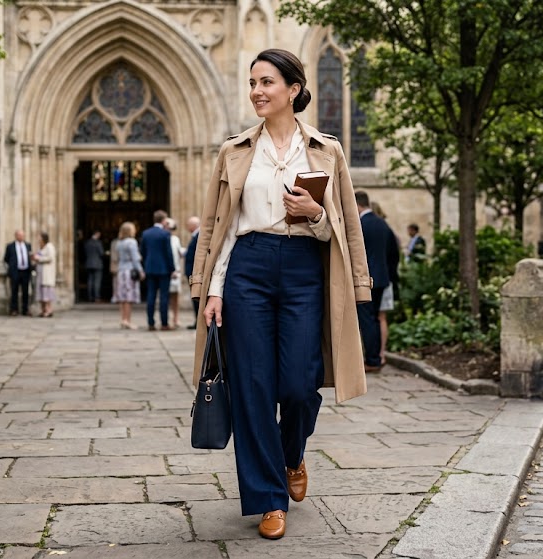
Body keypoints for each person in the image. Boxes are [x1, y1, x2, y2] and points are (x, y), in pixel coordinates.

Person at [190, 48, 371, 540]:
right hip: (247, 267)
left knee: (297, 385)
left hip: (304, 269)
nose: (256, 91)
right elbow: (220, 228)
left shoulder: (326, 150)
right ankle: (269, 499)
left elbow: (346, 226)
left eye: (266, 82)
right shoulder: (234, 151)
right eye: (252, 83)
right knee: (251, 388)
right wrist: (214, 290)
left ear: (293, 89)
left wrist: (314, 213)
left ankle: (293, 454)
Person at [356, 191, 392, 372]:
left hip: (366, 279)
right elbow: (394, 252)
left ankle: (371, 360)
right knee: (376, 319)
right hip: (382, 278)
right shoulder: (383, 223)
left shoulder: (360, 224)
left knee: (367, 320)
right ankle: (377, 356)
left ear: (357, 205)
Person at [139, 209, 176, 331]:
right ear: (164, 220)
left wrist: (146, 264)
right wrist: (172, 269)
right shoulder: (165, 234)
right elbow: (168, 253)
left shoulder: (146, 233)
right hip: (164, 269)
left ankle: (151, 323)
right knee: (164, 297)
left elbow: (143, 252)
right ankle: (164, 323)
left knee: (151, 296)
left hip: (150, 268)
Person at [373, 202, 400, 359]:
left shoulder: (371, 228)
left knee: (373, 318)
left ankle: (377, 353)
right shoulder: (387, 230)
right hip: (387, 279)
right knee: (381, 317)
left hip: (377, 279)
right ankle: (382, 353)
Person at [114, 221, 144, 328]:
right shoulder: (132, 242)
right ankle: (127, 320)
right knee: (128, 297)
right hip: (129, 271)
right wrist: (140, 271)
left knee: (122, 297)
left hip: (121, 271)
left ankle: (123, 319)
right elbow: (135, 259)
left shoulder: (119, 243)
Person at [3, 231, 33, 316]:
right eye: (19, 235)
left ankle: (25, 310)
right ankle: (14, 309)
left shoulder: (28, 245)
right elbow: (6, 258)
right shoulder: (10, 246)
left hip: (26, 271)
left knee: (25, 291)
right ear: (16, 236)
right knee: (14, 291)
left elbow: (29, 256)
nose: (21, 237)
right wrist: (12, 266)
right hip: (15, 272)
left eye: (22, 235)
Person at [33, 232, 57, 317]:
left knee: (46, 293)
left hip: (47, 274)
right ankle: (43, 310)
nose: (38, 240)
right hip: (40, 274)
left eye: (39, 238)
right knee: (41, 293)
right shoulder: (41, 247)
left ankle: (48, 310)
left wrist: (38, 258)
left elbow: (50, 258)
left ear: (44, 238)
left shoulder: (49, 247)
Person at [165, 217, 184, 328]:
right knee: (165, 296)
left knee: (175, 296)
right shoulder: (163, 238)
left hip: (175, 270)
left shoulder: (175, 239)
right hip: (166, 271)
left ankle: (176, 318)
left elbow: (179, 251)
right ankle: (166, 318)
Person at [183, 215, 201, 329]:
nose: (186, 226)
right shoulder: (195, 236)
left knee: (197, 298)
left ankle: (198, 323)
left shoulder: (200, 236)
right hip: (192, 273)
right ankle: (197, 322)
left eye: (188, 224)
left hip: (195, 273)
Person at [83, 230, 104, 303]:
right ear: (97, 234)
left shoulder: (87, 242)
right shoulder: (98, 243)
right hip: (97, 264)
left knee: (90, 281)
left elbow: (85, 252)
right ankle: (96, 297)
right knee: (97, 282)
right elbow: (101, 253)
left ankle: (90, 297)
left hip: (88, 264)